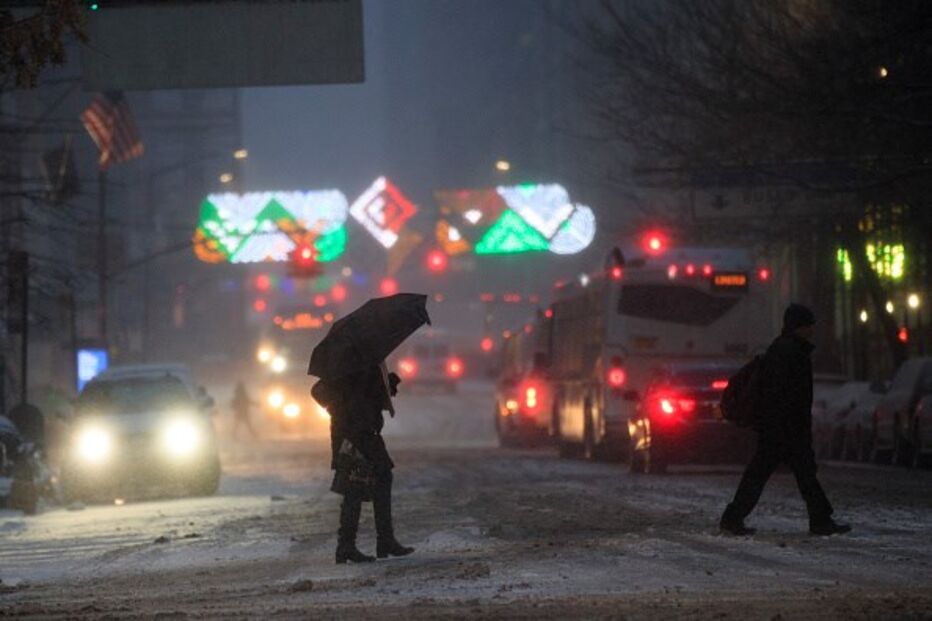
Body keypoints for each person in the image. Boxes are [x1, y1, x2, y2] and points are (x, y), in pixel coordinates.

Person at [720, 303, 851, 536]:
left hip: (778, 427)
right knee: (797, 474)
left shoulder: (783, 349)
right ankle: (819, 520)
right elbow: (789, 395)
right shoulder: (791, 353)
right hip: (785, 428)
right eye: (808, 324)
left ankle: (734, 517)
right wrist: (794, 427)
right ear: (798, 326)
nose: (812, 329)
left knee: (771, 474)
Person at [314, 363, 413, 564]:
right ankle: (353, 545)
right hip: (354, 435)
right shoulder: (348, 363)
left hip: (365, 433)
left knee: (375, 479)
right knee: (356, 486)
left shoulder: (366, 361)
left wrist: (386, 384)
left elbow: (369, 396)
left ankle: (373, 541)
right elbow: (320, 392)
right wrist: (344, 407)